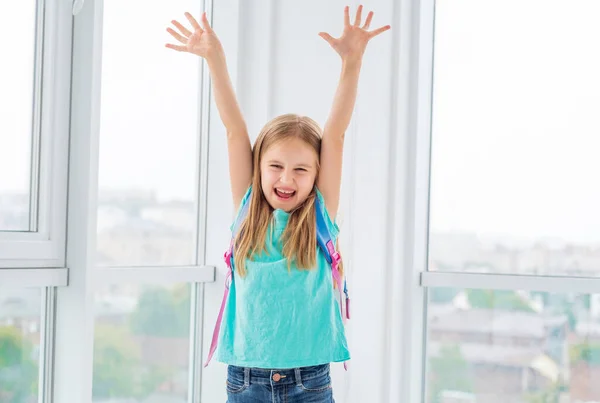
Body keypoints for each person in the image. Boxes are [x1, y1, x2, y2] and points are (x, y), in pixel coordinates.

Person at [166, 5, 390, 402]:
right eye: (276, 166)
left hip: (310, 381)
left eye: (301, 170)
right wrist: (215, 60)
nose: (286, 179)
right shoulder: (247, 209)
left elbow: (335, 135)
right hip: (245, 380)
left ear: (316, 174)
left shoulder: (320, 215)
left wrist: (352, 63)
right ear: (259, 168)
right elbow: (235, 130)